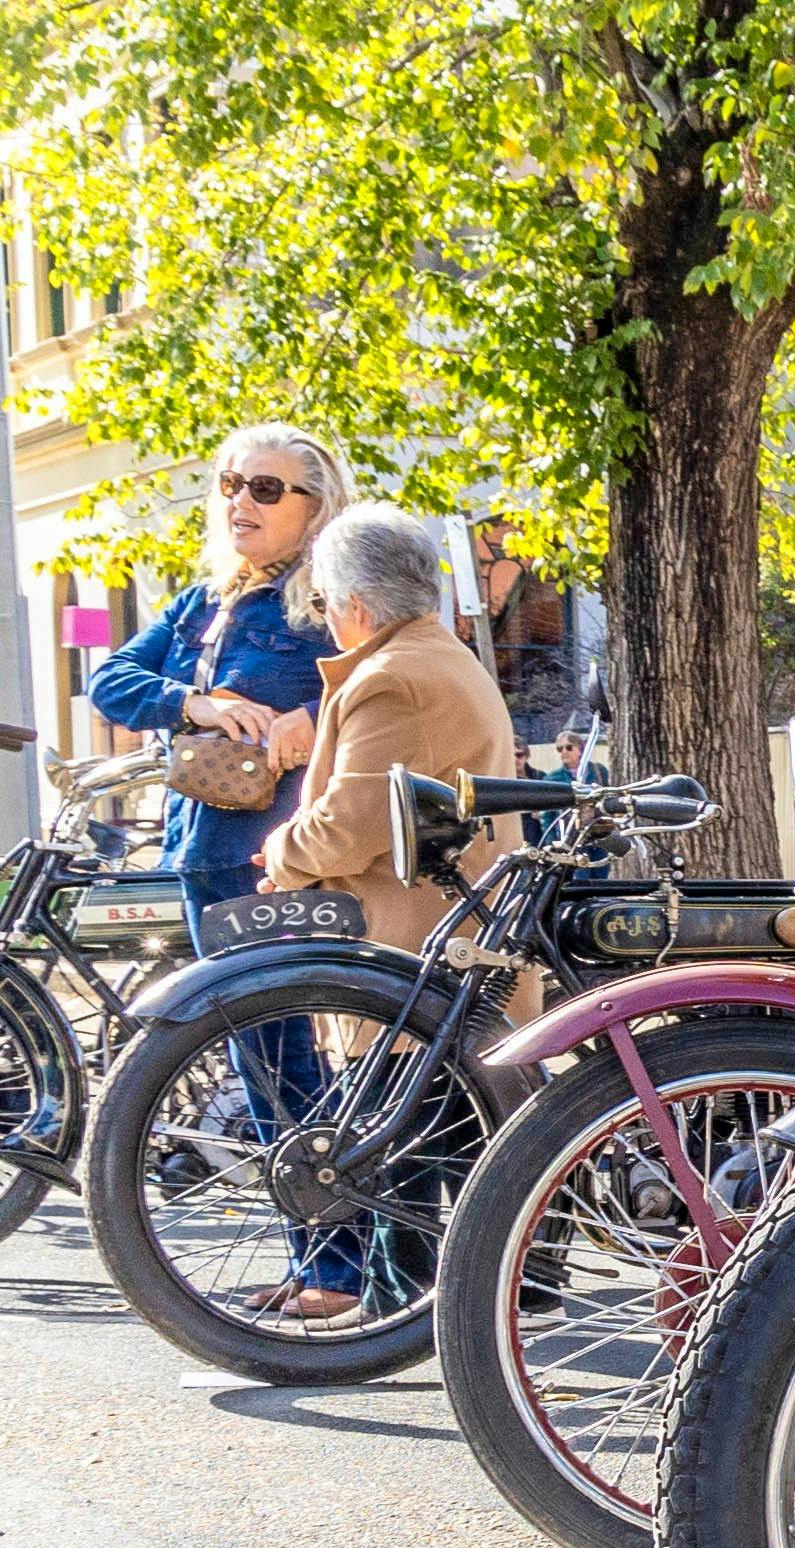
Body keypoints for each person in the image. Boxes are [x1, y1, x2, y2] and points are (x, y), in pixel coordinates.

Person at [241, 505, 530, 1320]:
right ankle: (469, 1296)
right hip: (447, 940)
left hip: (412, 951)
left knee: (402, 1142)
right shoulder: (435, 659)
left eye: (324, 602)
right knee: (450, 1136)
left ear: (357, 606)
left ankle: (403, 1307)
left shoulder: (391, 679)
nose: (325, 618)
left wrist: (282, 852)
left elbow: (350, 823)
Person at [87, 423, 351, 915]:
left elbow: (398, 683)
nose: (241, 501)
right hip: (193, 849)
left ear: (315, 507)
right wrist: (195, 705)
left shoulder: (334, 604)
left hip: (283, 861)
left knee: (281, 971)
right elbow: (108, 683)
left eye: (265, 489)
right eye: (232, 484)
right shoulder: (200, 603)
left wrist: (317, 717)